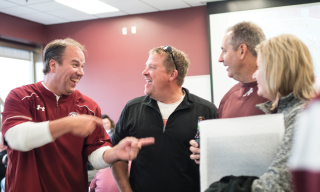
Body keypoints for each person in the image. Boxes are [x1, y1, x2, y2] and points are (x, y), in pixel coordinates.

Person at [1, 38, 154, 192]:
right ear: (53, 65)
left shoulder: (88, 106)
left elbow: (95, 153)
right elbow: (15, 138)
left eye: (82, 66)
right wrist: (68, 124)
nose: (81, 72)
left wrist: (114, 153)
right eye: (75, 64)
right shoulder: (21, 96)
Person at [205, 34, 315, 192]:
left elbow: (276, 186)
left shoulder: (300, 116)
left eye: (260, 67)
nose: (255, 74)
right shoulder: (280, 112)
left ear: (277, 70)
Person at [111, 45, 217, 192]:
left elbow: (217, 160)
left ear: (172, 74)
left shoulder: (206, 110)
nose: (144, 72)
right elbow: (116, 154)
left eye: (152, 67)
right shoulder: (132, 108)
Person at [190, 21, 269, 163]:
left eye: (224, 51)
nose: (220, 58)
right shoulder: (228, 98)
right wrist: (208, 154)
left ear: (242, 51)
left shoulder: (278, 95)